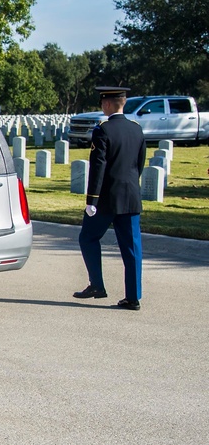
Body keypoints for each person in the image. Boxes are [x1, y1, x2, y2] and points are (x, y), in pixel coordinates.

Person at [73, 86, 147, 311]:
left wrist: (92, 200)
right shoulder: (136, 128)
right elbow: (140, 163)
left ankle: (97, 285)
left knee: (88, 238)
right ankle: (133, 297)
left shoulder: (103, 130)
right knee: (132, 248)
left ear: (107, 104)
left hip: (106, 199)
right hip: (131, 196)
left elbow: (98, 167)